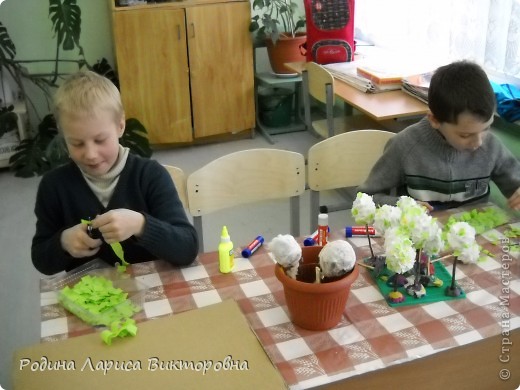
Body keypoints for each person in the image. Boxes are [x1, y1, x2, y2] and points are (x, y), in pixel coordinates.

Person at [32, 71, 198, 275]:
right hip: (91, 300)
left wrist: (141, 225)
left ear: (120, 126)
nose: (91, 154)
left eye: (100, 140)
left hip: (151, 294)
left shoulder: (150, 176)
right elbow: (41, 259)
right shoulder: (54, 186)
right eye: (76, 143)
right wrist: (63, 243)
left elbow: (187, 248)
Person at [358, 60, 520, 211]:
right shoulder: (405, 145)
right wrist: (403, 205)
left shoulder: (491, 146)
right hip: (419, 236)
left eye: (486, 128)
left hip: (474, 237)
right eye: (465, 135)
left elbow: (516, 185)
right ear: (435, 120)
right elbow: (367, 197)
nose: (478, 142)